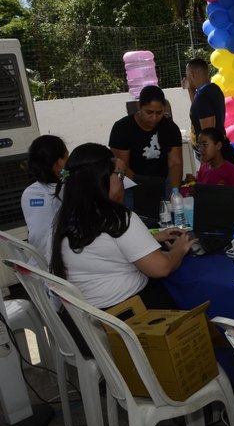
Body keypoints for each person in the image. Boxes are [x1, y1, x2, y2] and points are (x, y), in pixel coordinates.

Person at [50, 143, 196, 310]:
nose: (123, 183)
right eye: (119, 175)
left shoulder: (68, 217)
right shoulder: (117, 218)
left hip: (88, 315)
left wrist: (152, 238)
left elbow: (102, 248)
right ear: (102, 179)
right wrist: (179, 249)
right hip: (127, 313)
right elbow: (161, 268)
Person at [109, 85, 183, 191]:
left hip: (163, 182)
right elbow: (122, 166)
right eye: (149, 112)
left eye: (159, 113)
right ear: (139, 106)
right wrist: (145, 188)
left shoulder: (170, 128)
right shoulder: (122, 128)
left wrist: (175, 191)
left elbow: (175, 163)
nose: (154, 117)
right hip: (131, 185)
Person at [21, 135, 68, 265]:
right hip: (57, 263)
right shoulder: (65, 191)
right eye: (66, 156)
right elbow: (66, 174)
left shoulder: (28, 192)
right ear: (59, 162)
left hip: (36, 262)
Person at [185, 58, 226, 159]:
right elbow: (198, 109)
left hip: (209, 155)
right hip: (217, 150)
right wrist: (190, 89)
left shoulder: (203, 97)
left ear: (192, 74)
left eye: (187, 75)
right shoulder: (213, 89)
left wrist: (205, 162)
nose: (186, 78)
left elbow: (208, 134)